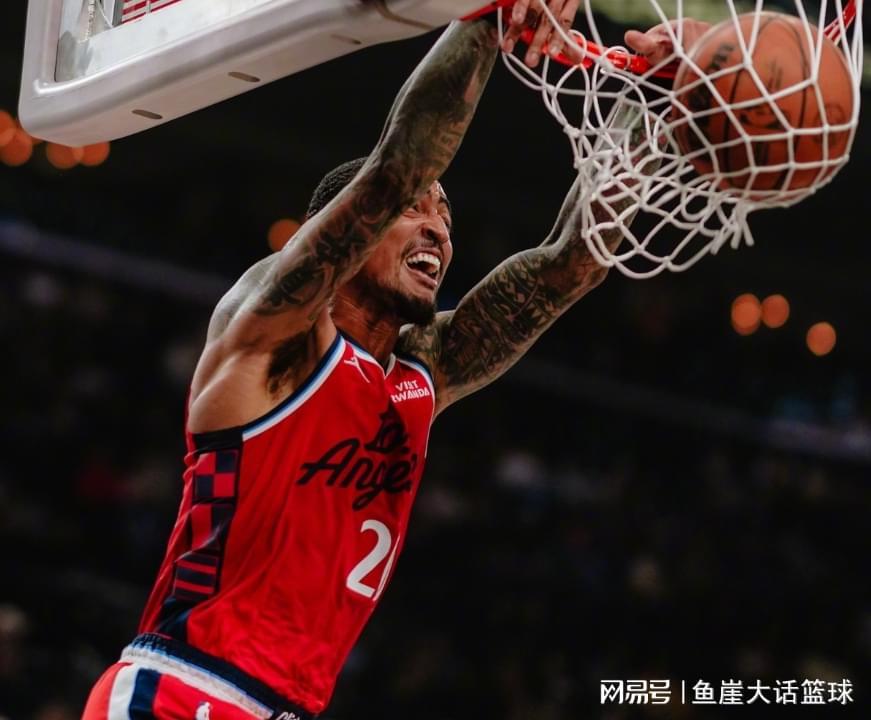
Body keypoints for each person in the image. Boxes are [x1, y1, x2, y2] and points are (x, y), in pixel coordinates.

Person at [81, 4, 706, 719]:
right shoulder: (271, 335)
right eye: (418, 210)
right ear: (351, 227)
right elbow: (396, 166)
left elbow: (568, 266)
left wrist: (652, 96)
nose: (437, 229)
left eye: (446, 219)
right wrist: (488, 20)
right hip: (185, 684)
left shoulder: (419, 375)